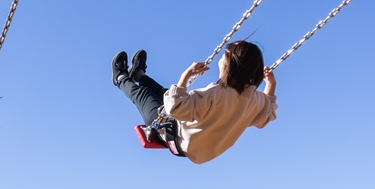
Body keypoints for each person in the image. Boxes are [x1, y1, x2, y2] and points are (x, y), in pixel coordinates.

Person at [112, 41, 277, 164]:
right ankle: (139, 75)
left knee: (144, 94)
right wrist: (271, 85)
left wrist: (186, 76)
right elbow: (265, 115)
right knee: (164, 93)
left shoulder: (216, 94)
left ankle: (120, 78)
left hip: (172, 135)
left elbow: (174, 109)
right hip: (197, 147)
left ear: (229, 64)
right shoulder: (255, 100)